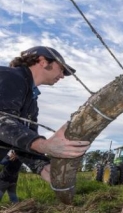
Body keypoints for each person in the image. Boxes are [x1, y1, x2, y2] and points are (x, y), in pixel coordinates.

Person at [0, 46, 90, 183]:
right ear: (43, 61)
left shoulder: (31, 101)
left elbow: (23, 141)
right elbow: (2, 121)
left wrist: (42, 166)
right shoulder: (9, 76)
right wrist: (43, 144)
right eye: (61, 69)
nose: (62, 76)